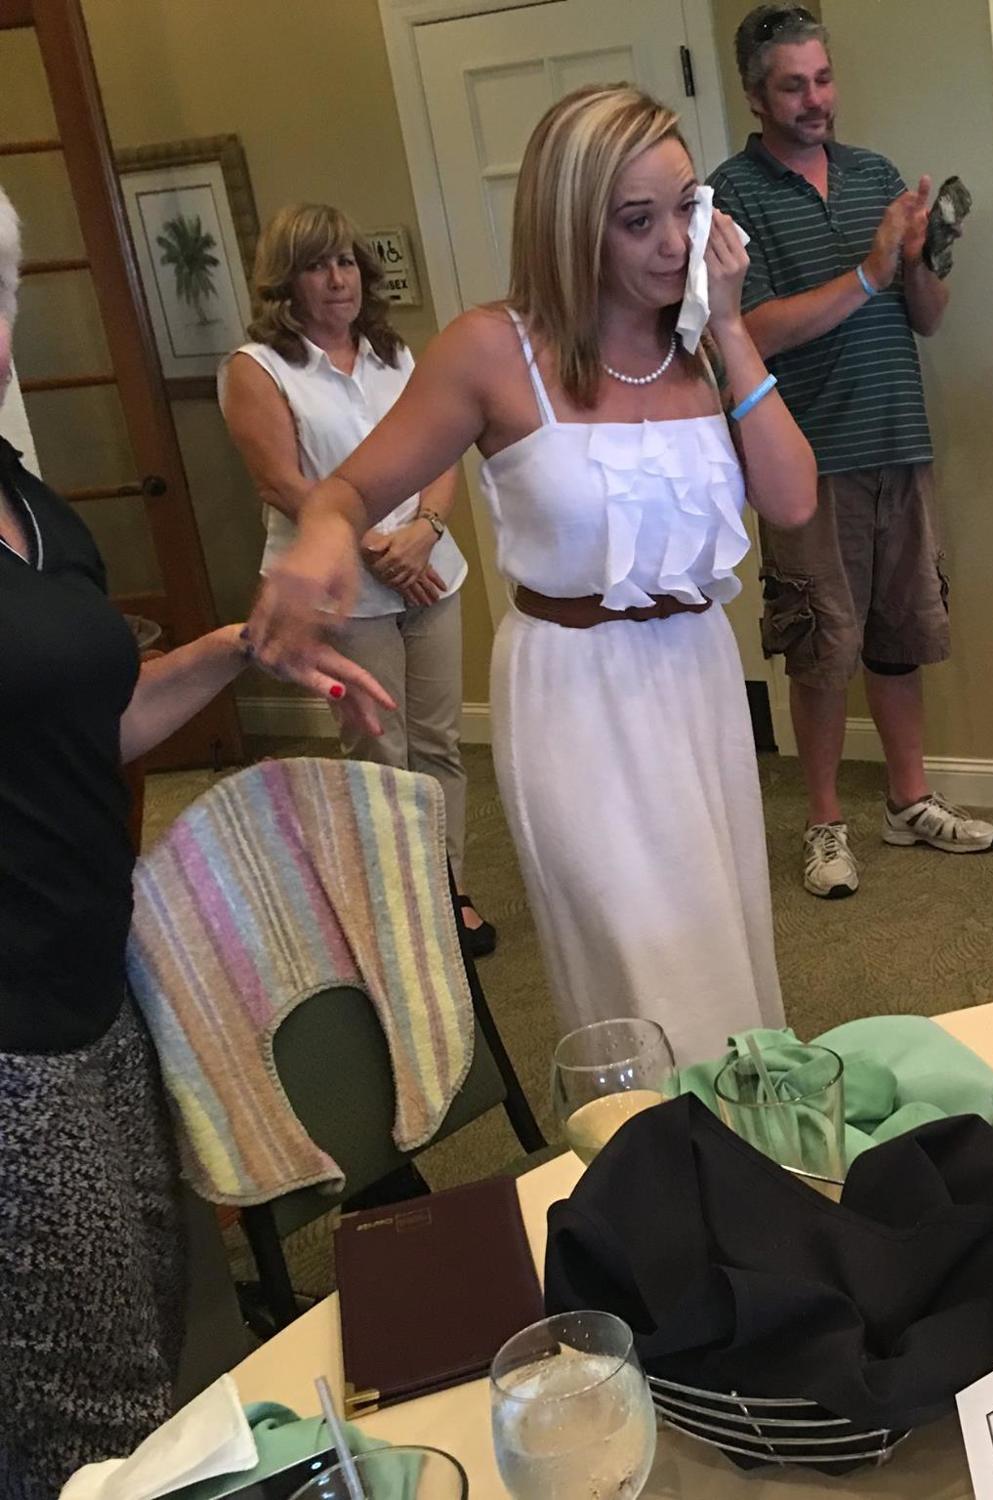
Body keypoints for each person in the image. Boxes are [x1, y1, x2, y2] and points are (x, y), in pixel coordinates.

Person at [247, 87, 818, 1065]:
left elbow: (793, 499)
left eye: (687, 207)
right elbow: (344, 491)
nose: (674, 244)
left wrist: (729, 326)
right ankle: (660, 1169)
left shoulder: (693, 343)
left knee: (722, 936)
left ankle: (740, 1163)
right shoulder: (489, 349)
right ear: (566, 225)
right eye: (636, 221)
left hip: (697, 676)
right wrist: (317, 541)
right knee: (639, 963)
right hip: (574, 694)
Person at [0, 185, 391, 1490]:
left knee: (159, 1322)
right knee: (82, 1400)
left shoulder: (32, 511)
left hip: (99, 979)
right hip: (10, 1042)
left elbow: (91, 724)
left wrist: (239, 646)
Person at [710, 4, 993, 900]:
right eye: (793, 85)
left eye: (823, 79)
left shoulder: (874, 173)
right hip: (806, 461)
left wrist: (918, 258)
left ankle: (907, 803)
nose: (815, 99)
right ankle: (825, 824)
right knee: (820, 651)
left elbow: (926, 318)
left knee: (899, 638)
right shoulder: (731, 197)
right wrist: (868, 270)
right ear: (755, 95)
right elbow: (747, 328)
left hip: (898, 441)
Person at [220, 203, 495, 956]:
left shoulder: (393, 354)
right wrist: (376, 547)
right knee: (381, 753)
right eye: (316, 265)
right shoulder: (259, 369)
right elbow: (281, 482)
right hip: (344, 590)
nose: (337, 279)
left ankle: (450, 890)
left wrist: (426, 532)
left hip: (429, 574)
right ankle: (399, 911)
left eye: (345, 261)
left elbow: (442, 452)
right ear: (287, 282)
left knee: (439, 746)